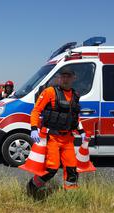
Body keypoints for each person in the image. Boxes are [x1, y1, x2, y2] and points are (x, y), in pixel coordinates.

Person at [27, 67, 86, 196]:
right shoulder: (50, 92)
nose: (65, 79)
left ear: (73, 78)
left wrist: (81, 131)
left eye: (68, 76)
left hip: (68, 138)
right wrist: (34, 129)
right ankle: (32, 187)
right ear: (59, 78)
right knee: (51, 169)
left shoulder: (75, 95)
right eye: (63, 76)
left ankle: (71, 196)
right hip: (52, 137)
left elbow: (75, 117)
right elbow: (36, 111)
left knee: (72, 169)